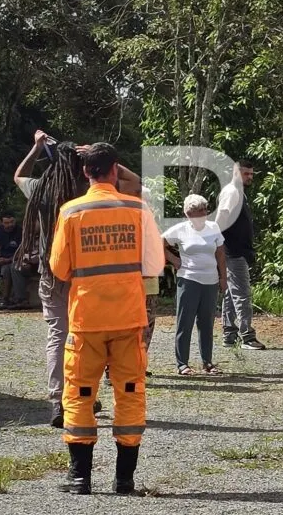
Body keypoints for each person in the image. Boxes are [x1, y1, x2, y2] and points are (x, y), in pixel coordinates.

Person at [50, 143, 162, 495]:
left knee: (80, 394)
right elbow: (155, 265)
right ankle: (124, 479)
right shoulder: (138, 209)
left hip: (87, 321)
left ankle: (79, 477)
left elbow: (59, 268)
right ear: (115, 170)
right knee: (130, 393)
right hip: (129, 319)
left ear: (85, 172)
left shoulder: (71, 212)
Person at [16, 130, 144, 427]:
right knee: (88, 339)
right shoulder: (87, 192)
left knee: (58, 335)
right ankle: (83, 396)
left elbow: (19, 176)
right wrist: (100, 156)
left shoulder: (41, 189)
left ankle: (58, 399)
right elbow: (135, 182)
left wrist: (36, 148)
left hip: (52, 274)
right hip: (87, 278)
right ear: (85, 167)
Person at [162, 194, 227, 375]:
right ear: (188, 214)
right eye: (199, 211)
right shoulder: (180, 229)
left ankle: (208, 362)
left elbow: (220, 254)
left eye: (205, 210)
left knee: (207, 323)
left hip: (210, 281)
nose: (204, 213)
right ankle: (182, 363)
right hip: (188, 279)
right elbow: (159, 242)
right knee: (185, 322)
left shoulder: (213, 228)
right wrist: (174, 260)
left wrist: (223, 278)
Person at [215, 157, 263, 350]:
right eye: (245, 173)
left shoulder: (238, 192)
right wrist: (215, 241)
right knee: (242, 294)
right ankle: (247, 337)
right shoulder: (232, 191)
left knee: (231, 293)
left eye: (251, 174)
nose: (249, 177)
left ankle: (229, 335)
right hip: (233, 251)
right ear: (236, 172)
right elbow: (222, 217)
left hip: (235, 250)